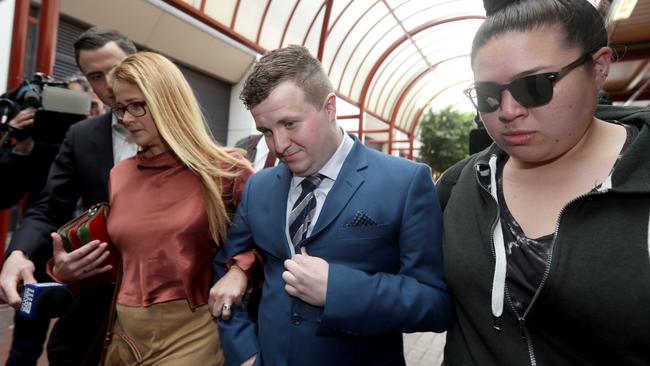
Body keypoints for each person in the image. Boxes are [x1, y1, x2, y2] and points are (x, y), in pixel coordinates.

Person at [209, 45, 453, 366]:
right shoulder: (259, 186)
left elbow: (434, 303)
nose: (279, 145)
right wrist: (246, 354)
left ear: (330, 107)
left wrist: (337, 290)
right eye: (266, 131)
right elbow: (224, 273)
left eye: (290, 124)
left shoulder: (405, 182)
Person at [438, 0, 650, 365]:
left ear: (598, 66)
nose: (508, 111)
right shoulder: (462, 184)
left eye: (535, 86)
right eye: (488, 95)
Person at [50, 51, 256, 365]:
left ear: (168, 100)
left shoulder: (225, 169)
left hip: (194, 330)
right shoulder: (120, 174)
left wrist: (240, 271)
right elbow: (127, 257)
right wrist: (67, 273)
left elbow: (269, 240)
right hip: (124, 332)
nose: (126, 118)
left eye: (137, 105)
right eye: (119, 108)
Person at [0, 27, 138, 365]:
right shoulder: (82, 135)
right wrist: (18, 254)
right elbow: (48, 205)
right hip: (96, 293)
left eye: (115, 70)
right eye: (96, 76)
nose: (108, 84)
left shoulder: (180, 126)